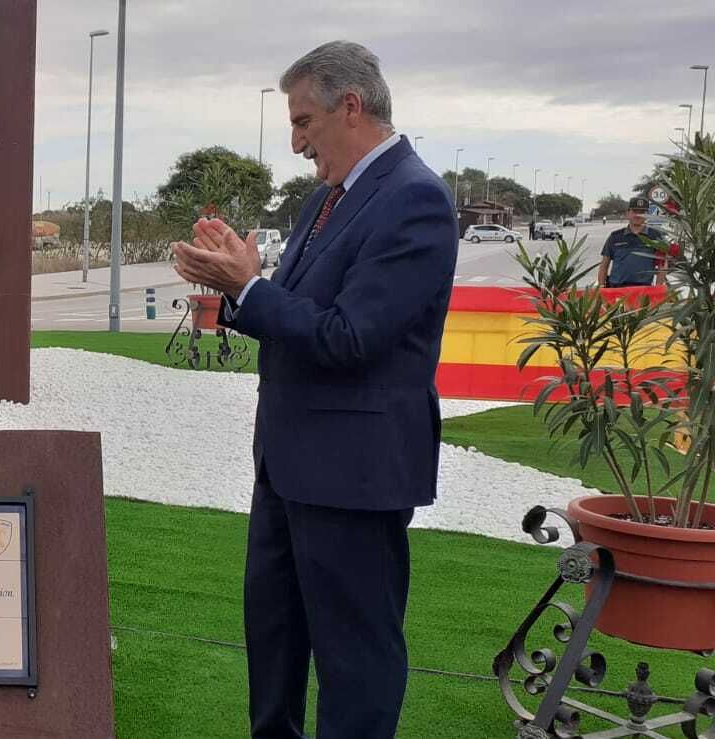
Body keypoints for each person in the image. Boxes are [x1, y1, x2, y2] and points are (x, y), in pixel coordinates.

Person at [172, 41, 457, 738]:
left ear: (350, 107)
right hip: (285, 470)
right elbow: (292, 313)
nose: (296, 142)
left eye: (303, 122)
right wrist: (233, 284)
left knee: (356, 668)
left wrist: (250, 286)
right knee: (273, 653)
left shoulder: (415, 199)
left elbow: (349, 336)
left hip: (355, 478)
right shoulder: (322, 201)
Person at [598, 196, 667, 287]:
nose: (638, 215)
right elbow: (604, 265)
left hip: (643, 290)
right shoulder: (615, 237)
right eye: (635, 211)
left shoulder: (655, 237)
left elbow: (663, 265)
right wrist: (601, 287)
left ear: (648, 215)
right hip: (617, 289)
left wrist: (658, 288)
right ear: (628, 213)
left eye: (642, 212)